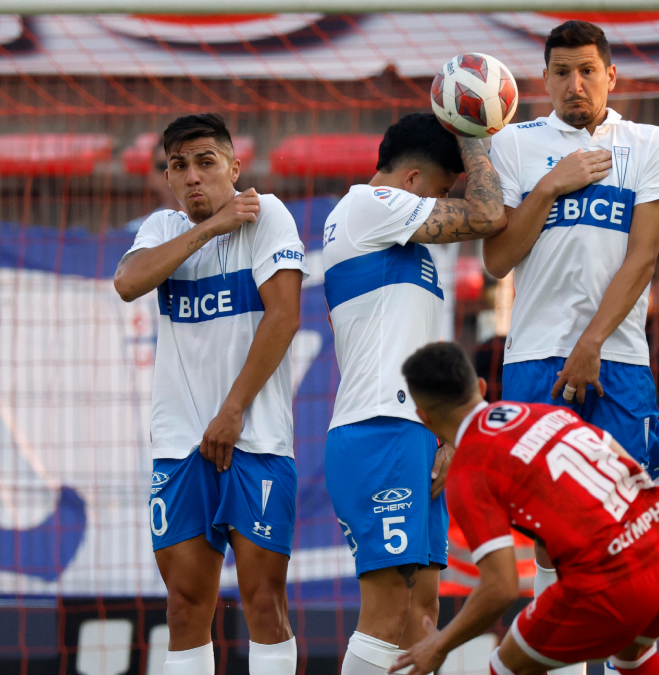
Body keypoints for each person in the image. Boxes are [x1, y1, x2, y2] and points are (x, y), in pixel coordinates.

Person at [482, 21, 659, 666]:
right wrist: (548, 187)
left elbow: (644, 257)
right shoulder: (513, 145)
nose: (575, 84)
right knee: (550, 536)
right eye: (562, 72)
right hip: (536, 355)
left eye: (588, 70)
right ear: (544, 80)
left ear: (611, 75)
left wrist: (592, 341)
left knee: (626, 526)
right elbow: (498, 261)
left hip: (617, 359)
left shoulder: (648, 144)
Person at [113, 113, 307, 675]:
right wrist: (209, 227)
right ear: (169, 177)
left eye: (206, 161)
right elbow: (127, 283)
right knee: (183, 607)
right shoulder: (162, 227)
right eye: (180, 166)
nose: (194, 176)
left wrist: (232, 412)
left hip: (256, 440)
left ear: (234, 166)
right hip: (179, 448)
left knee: (264, 602)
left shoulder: (267, 214)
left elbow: (285, 317)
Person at [320, 113, 507, 675]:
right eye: (441, 191)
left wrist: (446, 434)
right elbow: (489, 214)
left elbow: (424, 349)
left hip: (414, 433)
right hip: (378, 429)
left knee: (422, 609)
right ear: (410, 180)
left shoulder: (407, 245)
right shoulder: (368, 206)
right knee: (387, 608)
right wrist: (476, 136)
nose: (444, 204)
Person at [391, 342, 659, 675]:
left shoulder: (469, 471)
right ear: (480, 387)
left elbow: (501, 588)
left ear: (423, 417)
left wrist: (440, 643)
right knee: (633, 656)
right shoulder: (544, 412)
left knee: (505, 668)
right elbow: (623, 461)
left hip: (618, 581)